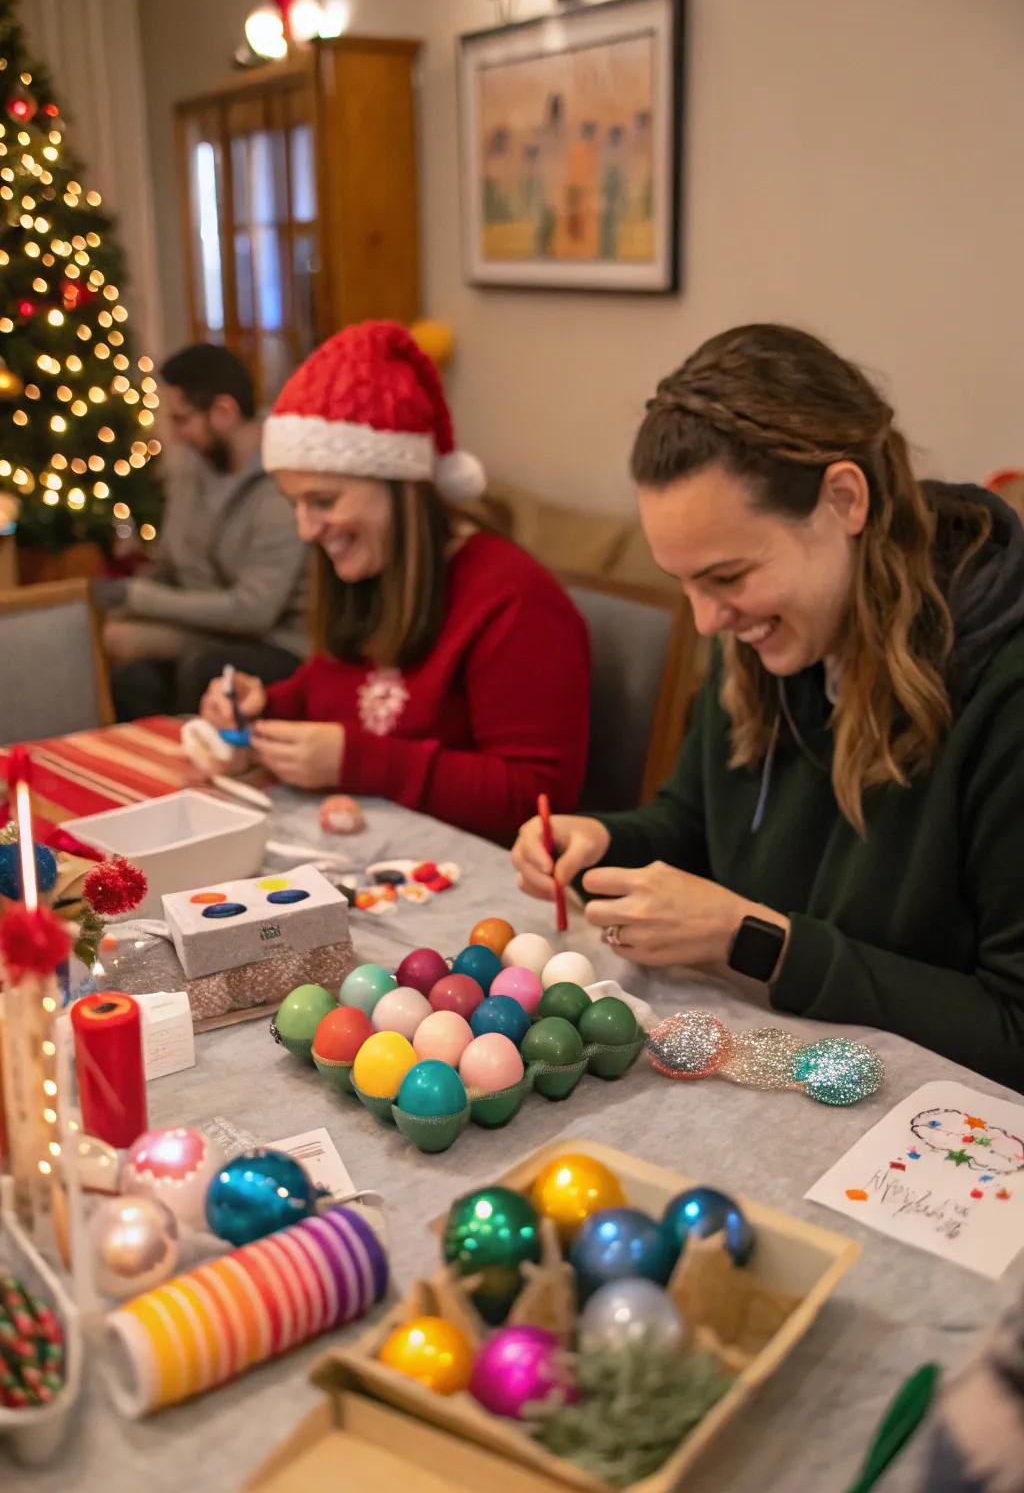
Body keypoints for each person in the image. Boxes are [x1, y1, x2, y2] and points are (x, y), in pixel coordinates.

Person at [513, 323, 1024, 1088]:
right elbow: (694, 825)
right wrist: (601, 842)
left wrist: (756, 941)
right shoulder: (772, 640)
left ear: (844, 500)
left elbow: (1011, 1027)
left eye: (728, 576)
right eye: (683, 582)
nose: (707, 620)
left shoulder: (1003, 693)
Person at [200, 321, 590, 844]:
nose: (306, 530)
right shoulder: (372, 568)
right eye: (295, 504)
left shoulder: (515, 602)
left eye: (323, 501)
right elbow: (334, 690)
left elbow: (536, 801)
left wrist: (355, 760)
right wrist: (265, 708)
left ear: (398, 486)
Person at [97, 344, 309, 719]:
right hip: (206, 630)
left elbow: (254, 611)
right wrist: (119, 607)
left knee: (201, 669)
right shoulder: (192, 472)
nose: (175, 435)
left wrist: (140, 600)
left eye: (181, 419)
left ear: (224, 411)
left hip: (275, 642)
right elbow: (169, 566)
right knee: (131, 675)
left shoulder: (282, 486)